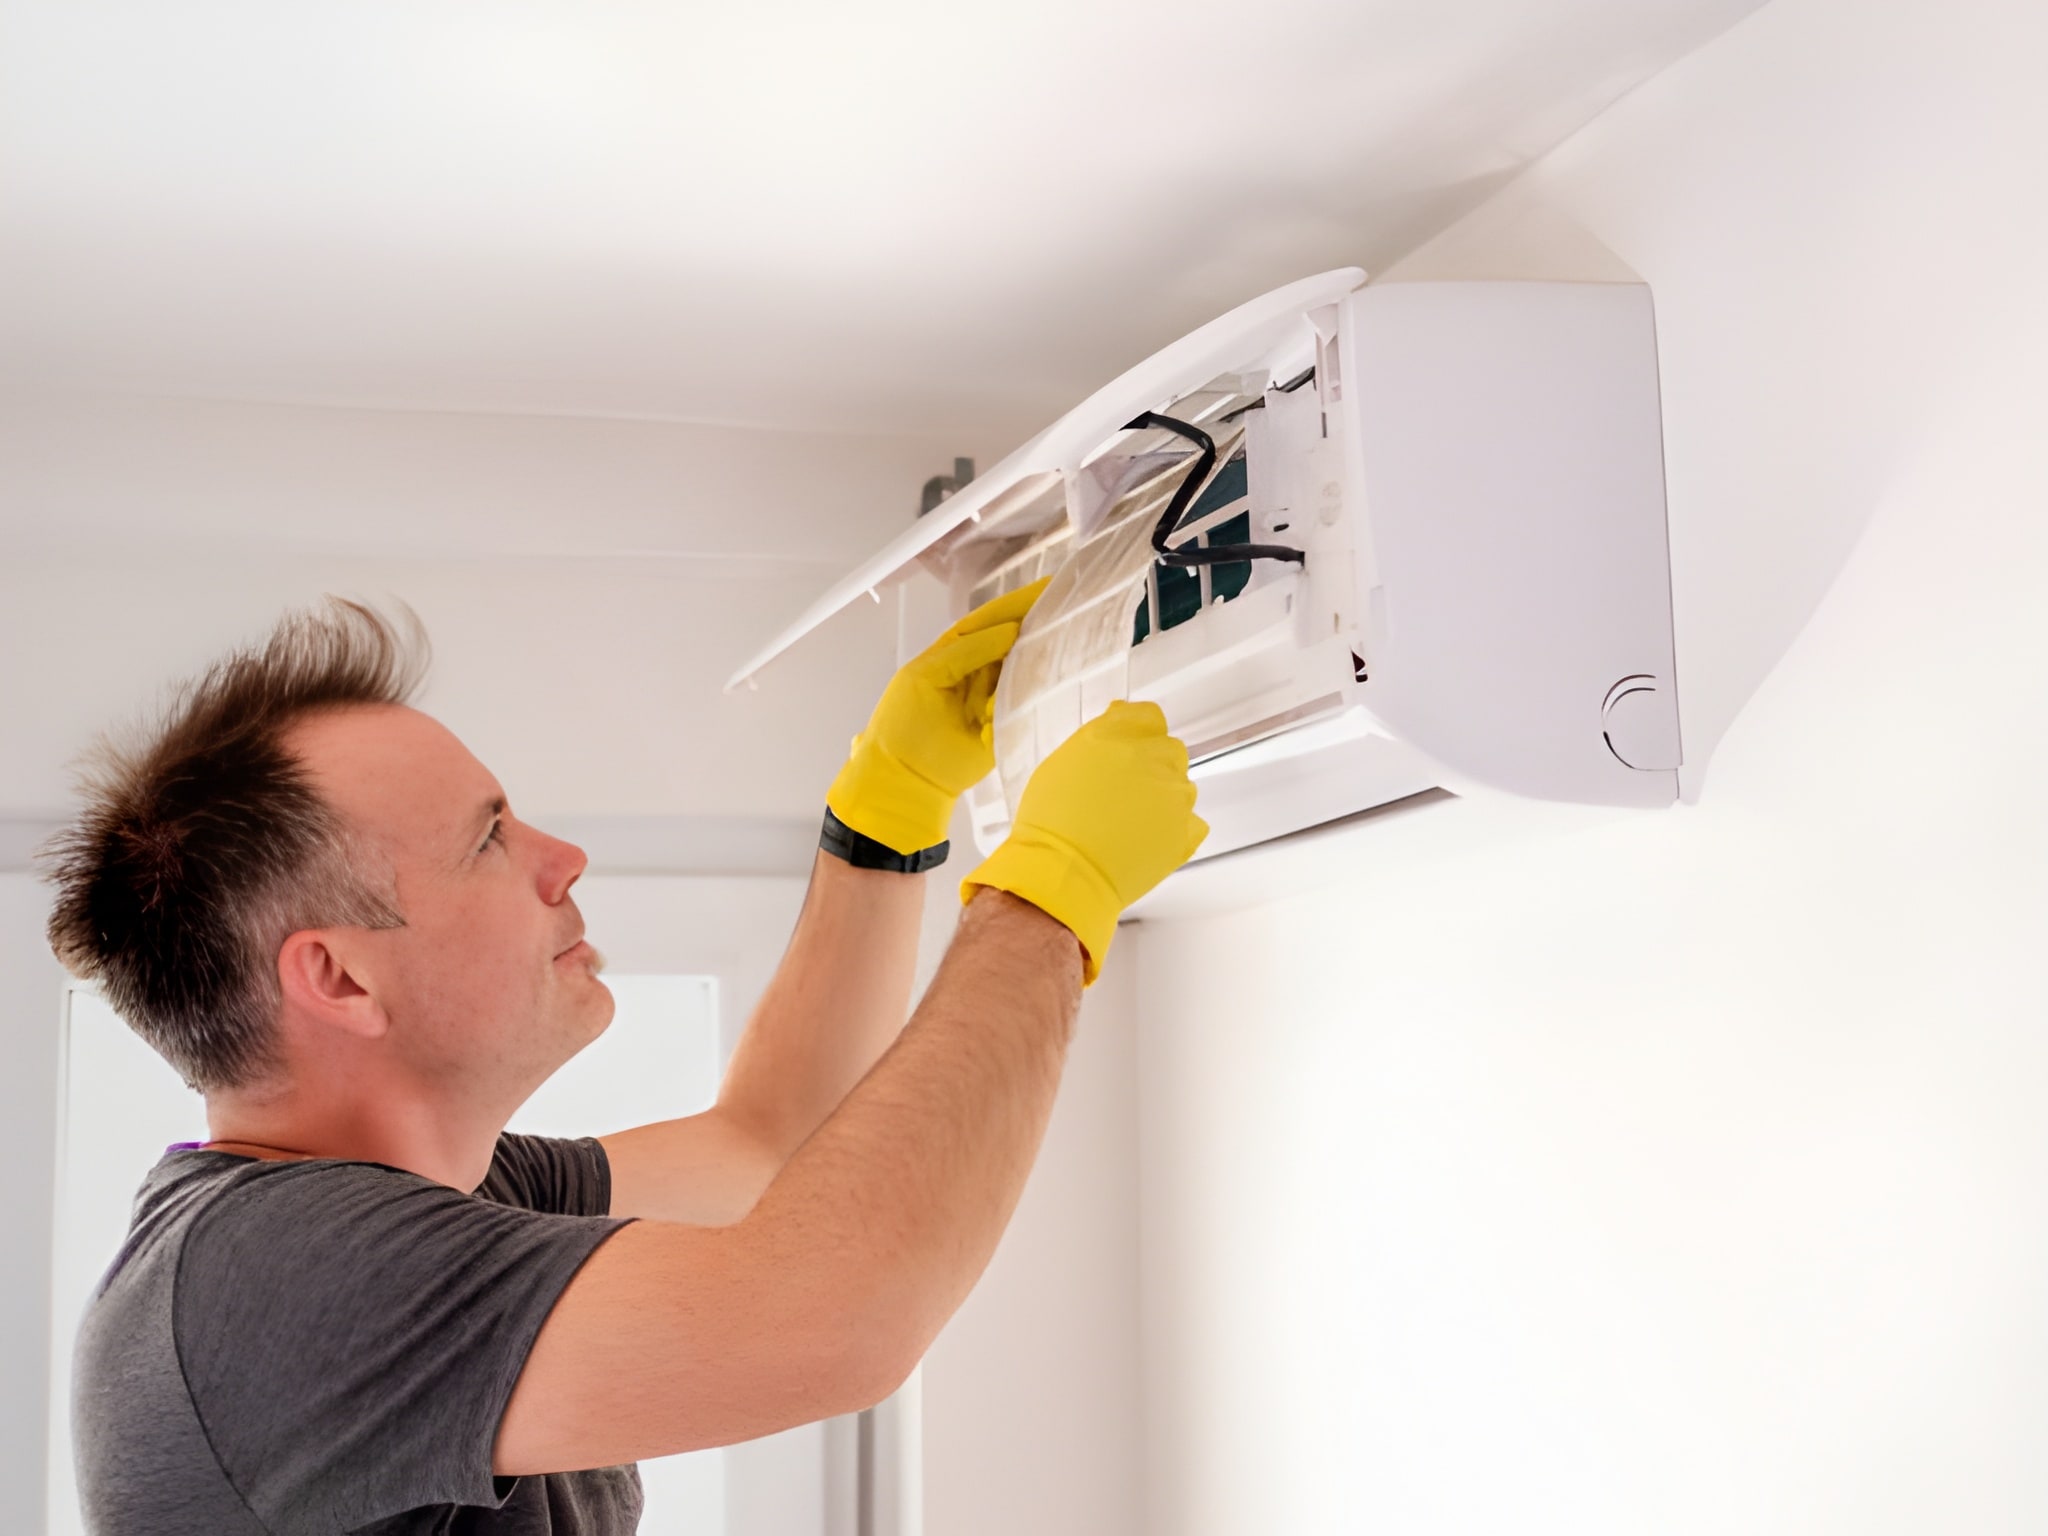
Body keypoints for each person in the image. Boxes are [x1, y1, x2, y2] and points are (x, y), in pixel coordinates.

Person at [39, 590, 1206, 1535]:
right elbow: (831, 1322)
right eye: (489, 838)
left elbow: (766, 1143)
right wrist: (1047, 902)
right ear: (339, 979)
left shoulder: (413, 1213)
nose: (562, 858)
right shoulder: (273, 1278)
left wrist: (885, 819)